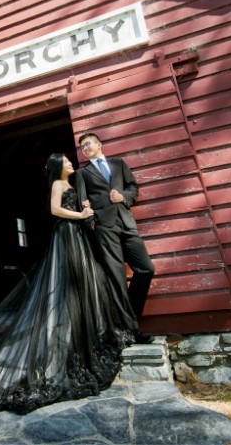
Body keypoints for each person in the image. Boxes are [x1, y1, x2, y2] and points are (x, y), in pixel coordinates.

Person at [0, 153, 138, 415]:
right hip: (66, 234)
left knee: (83, 280)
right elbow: (55, 210)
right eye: (66, 162)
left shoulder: (73, 183)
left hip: (78, 234)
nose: (71, 163)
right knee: (62, 282)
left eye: (70, 161)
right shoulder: (58, 184)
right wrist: (81, 215)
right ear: (57, 167)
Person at [74, 132, 156, 345]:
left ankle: (126, 312)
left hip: (127, 223)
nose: (85, 148)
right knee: (117, 276)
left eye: (88, 144)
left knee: (146, 269)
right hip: (104, 227)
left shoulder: (119, 163)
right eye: (82, 147)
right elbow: (82, 202)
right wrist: (91, 225)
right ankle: (132, 330)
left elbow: (133, 188)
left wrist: (124, 197)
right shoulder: (83, 173)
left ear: (99, 144)